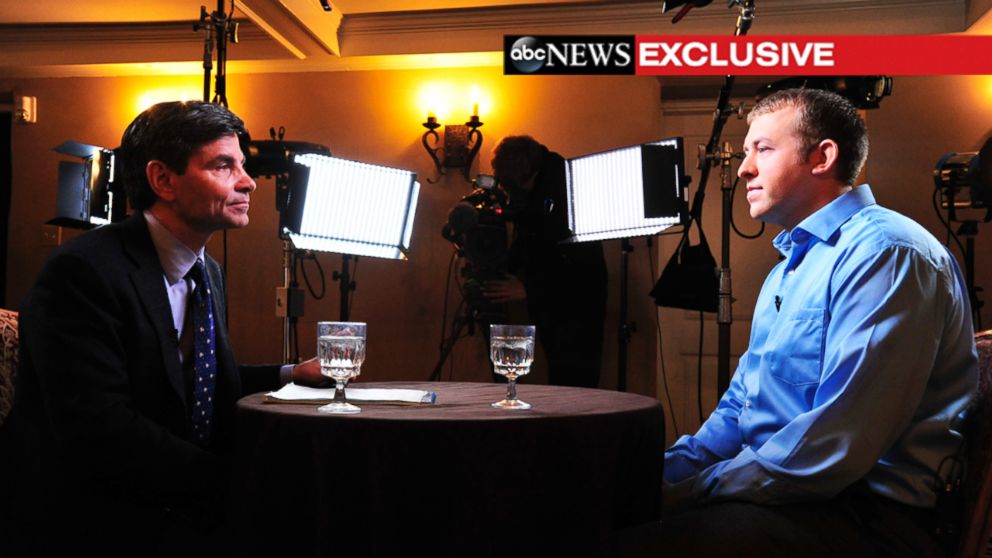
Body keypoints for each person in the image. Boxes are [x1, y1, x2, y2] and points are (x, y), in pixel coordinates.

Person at [619, 89, 978, 557]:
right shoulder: (786, 269)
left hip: (868, 518)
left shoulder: (887, 254)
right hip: (791, 500)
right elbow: (738, 412)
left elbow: (837, 443)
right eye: (747, 152)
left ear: (822, 157)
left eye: (762, 149)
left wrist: (693, 491)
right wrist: (656, 478)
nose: (745, 167)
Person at [0, 101, 323, 556]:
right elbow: (101, 430)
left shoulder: (206, 271)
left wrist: (289, 375)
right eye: (224, 165)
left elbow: (191, 382)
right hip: (92, 521)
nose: (248, 182)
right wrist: (234, 484)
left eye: (243, 166)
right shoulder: (83, 271)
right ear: (163, 180)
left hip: (169, 500)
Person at [483, 136, 608, 388]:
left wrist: (528, 288)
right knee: (563, 380)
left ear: (525, 174)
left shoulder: (562, 197)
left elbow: (579, 268)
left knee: (572, 385)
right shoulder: (543, 183)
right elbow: (528, 235)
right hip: (558, 311)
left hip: (575, 313)